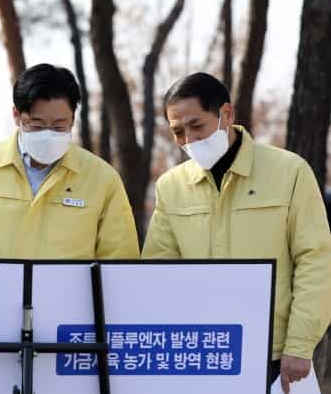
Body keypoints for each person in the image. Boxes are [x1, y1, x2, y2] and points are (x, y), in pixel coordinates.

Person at [142, 72, 331, 393]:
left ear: (226, 114)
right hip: (201, 353)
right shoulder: (171, 187)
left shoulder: (289, 172)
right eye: (177, 132)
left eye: (196, 125)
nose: (188, 140)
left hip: (277, 358)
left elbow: (316, 260)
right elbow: (158, 272)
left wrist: (299, 345)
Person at [0, 63, 139, 259]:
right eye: (36, 125)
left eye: (59, 126)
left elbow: (119, 261)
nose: (48, 134)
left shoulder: (102, 179)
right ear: (17, 115)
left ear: (73, 118)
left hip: (68, 304)